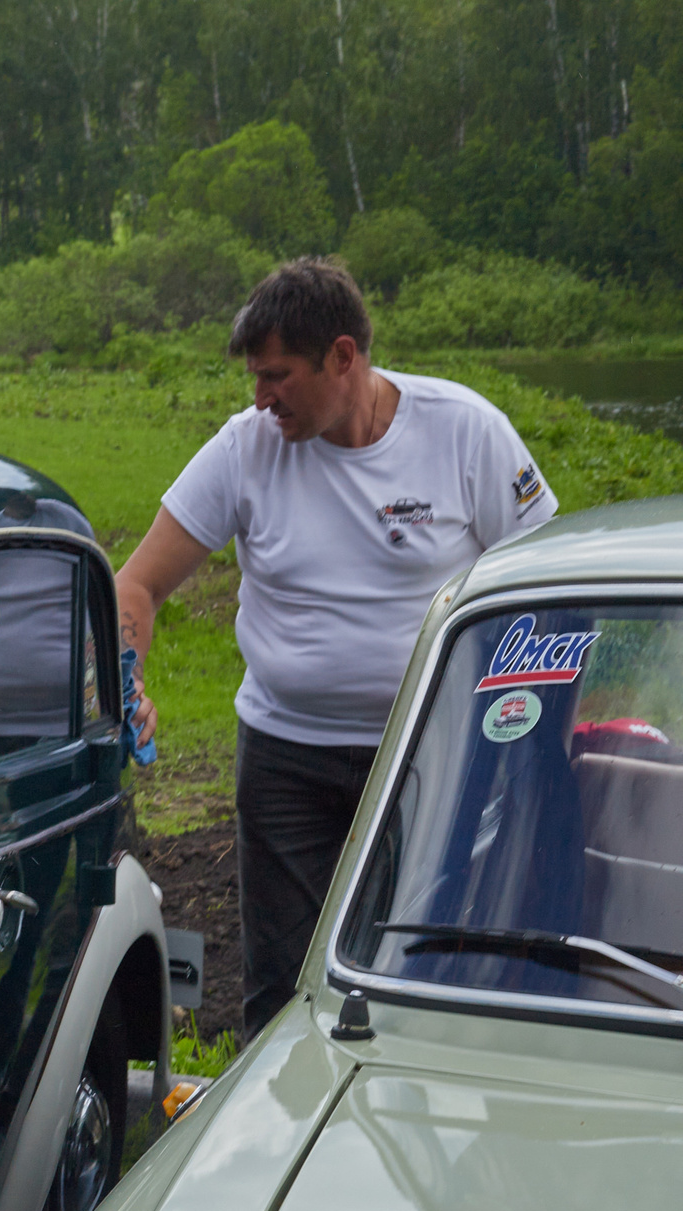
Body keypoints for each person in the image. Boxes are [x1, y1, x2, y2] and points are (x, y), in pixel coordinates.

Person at [114, 257, 556, 1034]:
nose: (261, 398)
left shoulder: (464, 431)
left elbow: (549, 586)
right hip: (284, 754)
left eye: (278, 375)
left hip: (430, 753)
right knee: (281, 986)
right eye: (254, 377)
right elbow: (136, 585)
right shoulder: (245, 448)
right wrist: (128, 680)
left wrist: (521, 731)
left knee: (419, 973)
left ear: (344, 356)